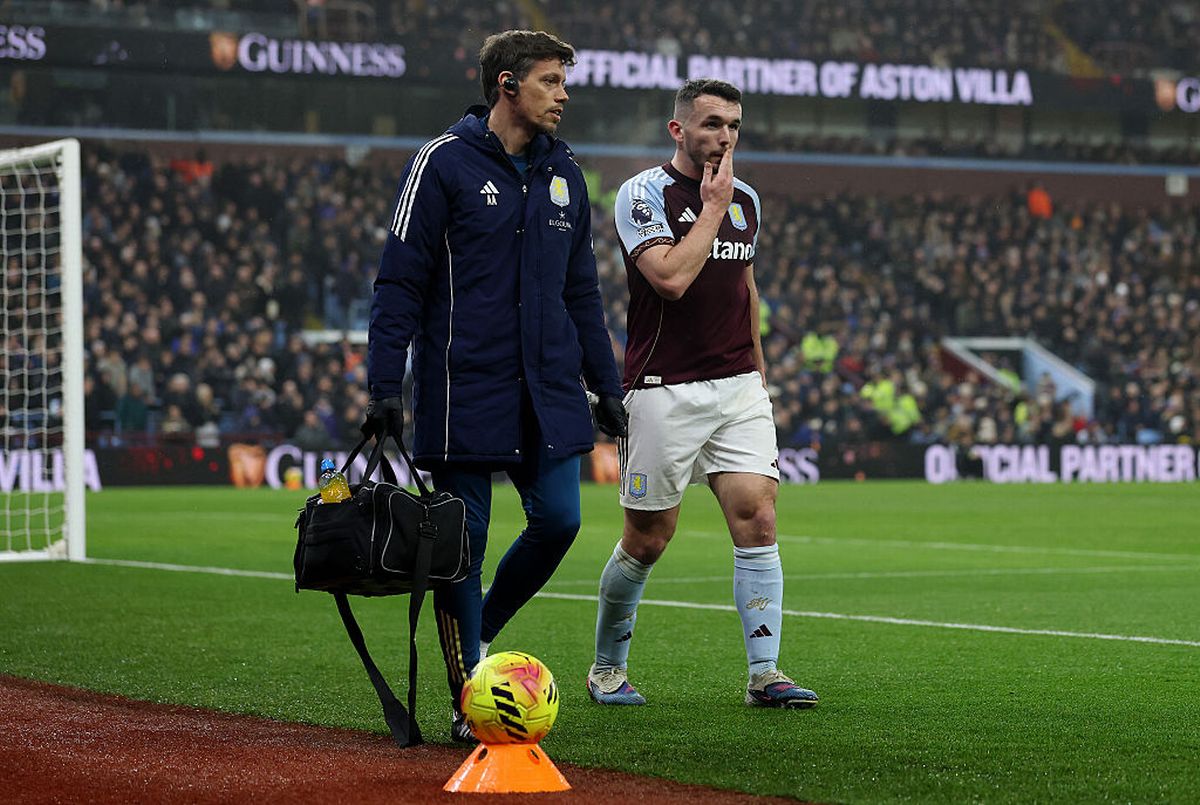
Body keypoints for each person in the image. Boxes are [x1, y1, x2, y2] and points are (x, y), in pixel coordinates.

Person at [363, 30, 627, 742]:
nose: (563, 95)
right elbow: (399, 282)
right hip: (464, 388)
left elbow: (583, 292)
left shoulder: (566, 173)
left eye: (563, 81)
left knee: (561, 520)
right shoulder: (441, 162)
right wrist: (384, 385)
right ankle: (467, 698)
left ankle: (480, 634)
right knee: (464, 543)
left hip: (548, 388)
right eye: (550, 81)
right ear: (506, 85)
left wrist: (606, 384)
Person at [587, 79, 819, 709]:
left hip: (738, 387)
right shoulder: (642, 193)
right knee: (648, 537)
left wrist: (759, 374)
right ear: (678, 129)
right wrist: (712, 207)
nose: (725, 137)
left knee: (759, 518)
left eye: (734, 125)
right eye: (712, 123)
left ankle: (764, 673)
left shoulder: (748, 198)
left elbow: (745, 287)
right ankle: (607, 668)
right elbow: (668, 278)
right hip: (663, 387)